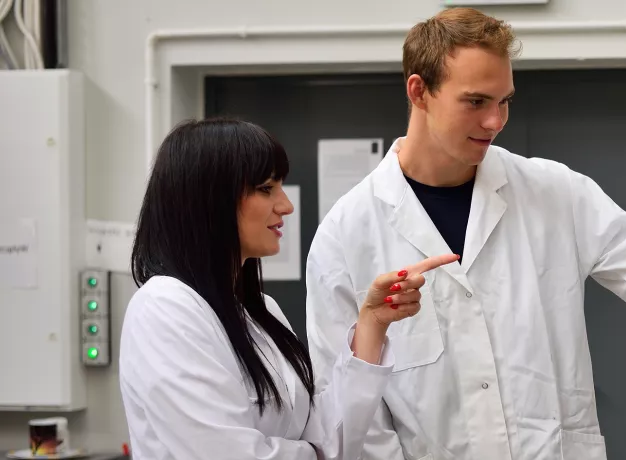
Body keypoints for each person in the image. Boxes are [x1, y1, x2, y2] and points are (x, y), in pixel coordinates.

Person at [303, 7, 626, 460]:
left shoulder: (554, 191)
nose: (495, 121)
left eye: (504, 101)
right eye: (476, 102)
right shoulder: (345, 235)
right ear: (419, 91)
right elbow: (349, 415)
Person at [118, 118, 460, 459]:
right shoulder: (164, 307)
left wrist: (372, 321)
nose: (286, 205)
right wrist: (315, 452)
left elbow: (333, 442)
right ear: (209, 199)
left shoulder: (261, 311)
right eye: (266, 189)